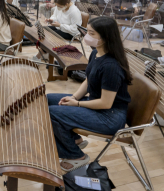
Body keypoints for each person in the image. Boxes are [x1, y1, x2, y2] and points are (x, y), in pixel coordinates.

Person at [47, 17, 132, 171]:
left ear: (105, 38)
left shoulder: (111, 66)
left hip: (109, 117)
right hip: (97, 106)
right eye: (87, 31)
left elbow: (106, 103)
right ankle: (74, 139)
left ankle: (75, 155)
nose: (86, 35)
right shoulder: (96, 53)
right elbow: (88, 79)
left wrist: (77, 104)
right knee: (47, 100)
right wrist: (74, 97)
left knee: (52, 113)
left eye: (91, 33)